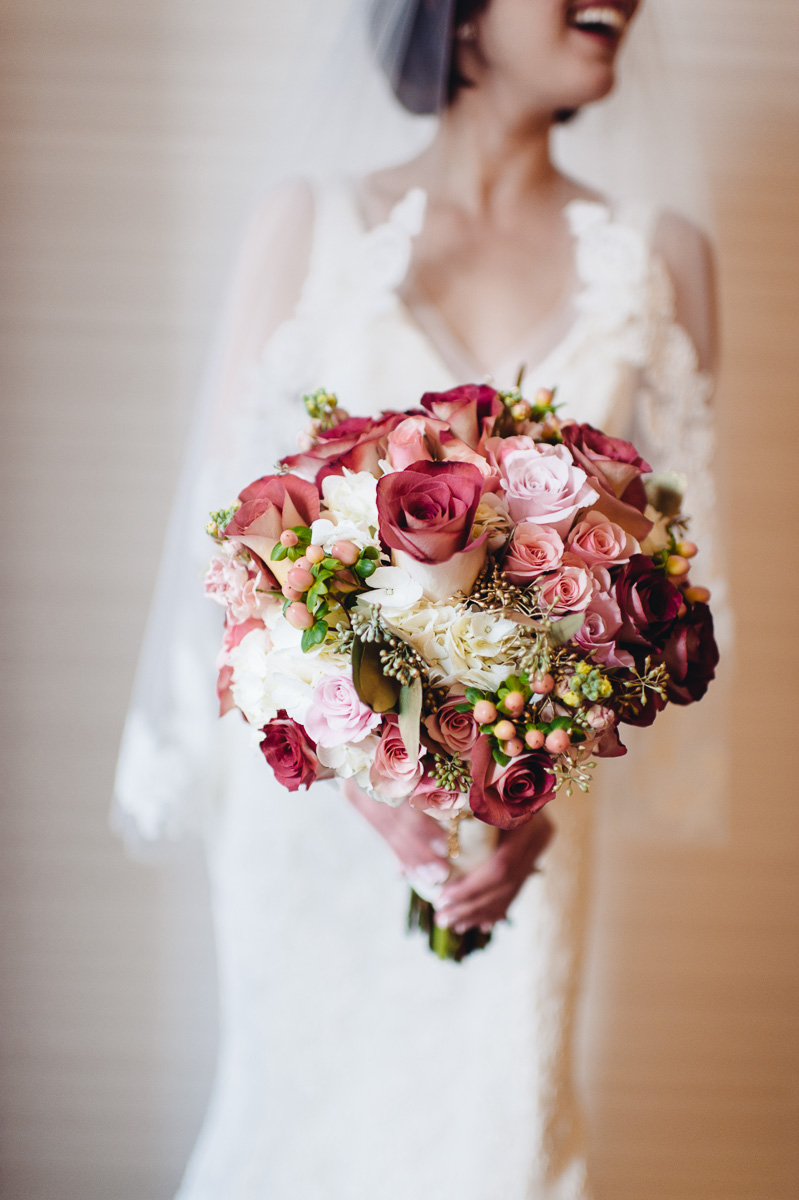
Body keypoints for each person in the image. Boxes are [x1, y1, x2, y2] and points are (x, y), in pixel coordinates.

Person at [115, 1, 725, 1196]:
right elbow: (229, 558)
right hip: (310, 828)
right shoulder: (311, 227)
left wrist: (533, 798)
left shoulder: (659, 258)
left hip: (521, 832)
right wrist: (356, 766)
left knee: (496, 1141)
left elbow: (674, 598)